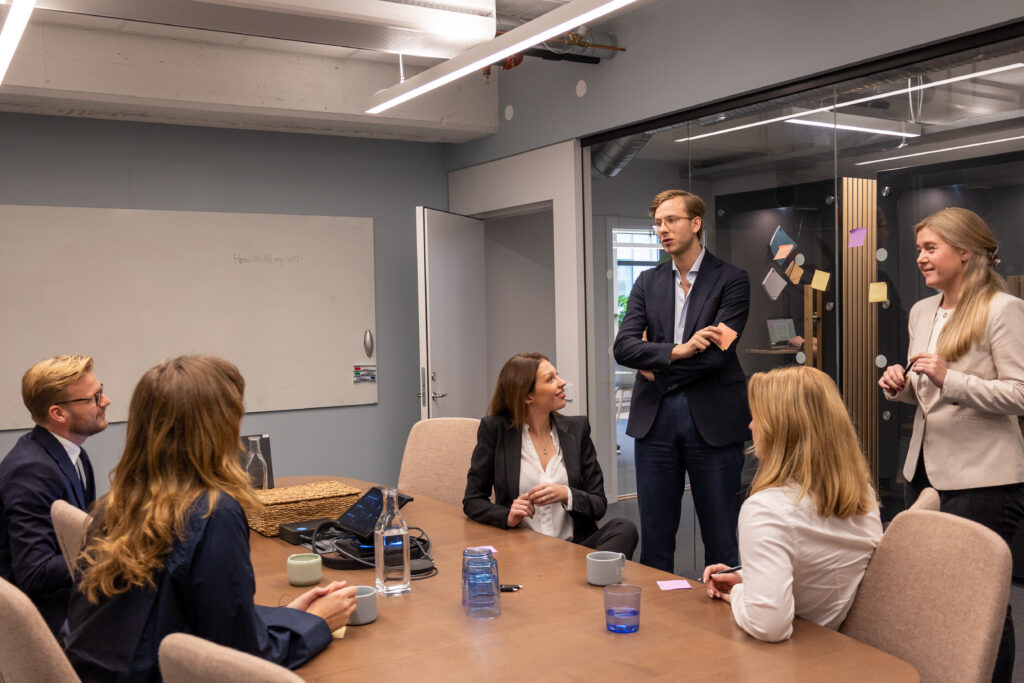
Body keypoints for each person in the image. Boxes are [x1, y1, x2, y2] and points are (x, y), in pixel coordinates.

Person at [63, 355, 356, 681]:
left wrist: (287, 617)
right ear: (218, 427)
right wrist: (317, 624)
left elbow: (184, 609)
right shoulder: (213, 512)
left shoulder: (115, 504)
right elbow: (238, 659)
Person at [879, 207, 1024, 682]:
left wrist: (951, 378)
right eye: (918, 248)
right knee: (927, 594)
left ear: (965, 251)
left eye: (930, 248)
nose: (920, 258)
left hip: (984, 479)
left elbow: (1020, 394)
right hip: (921, 471)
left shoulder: (1002, 308)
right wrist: (898, 384)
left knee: (979, 601)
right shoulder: (922, 311)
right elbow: (928, 396)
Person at [612, 189, 750, 572]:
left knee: (721, 536)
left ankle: (723, 621)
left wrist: (656, 366)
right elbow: (623, 347)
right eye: (657, 223)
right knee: (656, 538)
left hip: (713, 419)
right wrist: (677, 350)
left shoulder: (732, 280)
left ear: (695, 223)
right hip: (654, 420)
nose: (662, 230)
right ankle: (661, 621)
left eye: (671, 220)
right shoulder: (647, 281)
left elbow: (717, 354)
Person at [702, 366, 882, 642]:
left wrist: (739, 593)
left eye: (757, 418)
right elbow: (820, 565)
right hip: (842, 647)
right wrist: (750, 577)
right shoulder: (862, 496)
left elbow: (769, 626)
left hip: (797, 657)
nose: (751, 426)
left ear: (781, 430)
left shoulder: (765, 510)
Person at [463, 352, 638, 557]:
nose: (562, 383)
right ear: (528, 396)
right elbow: (473, 500)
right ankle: (586, 583)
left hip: (575, 548)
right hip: (522, 550)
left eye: (558, 375)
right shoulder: (495, 430)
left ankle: (585, 577)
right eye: (550, 379)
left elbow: (599, 504)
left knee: (625, 528)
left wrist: (566, 494)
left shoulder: (577, 430)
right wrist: (507, 516)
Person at [0, 355, 109, 635]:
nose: (105, 401)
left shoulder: (74, 454)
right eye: (94, 397)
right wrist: (112, 551)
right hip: (43, 630)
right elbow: (35, 571)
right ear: (58, 414)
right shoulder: (32, 469)